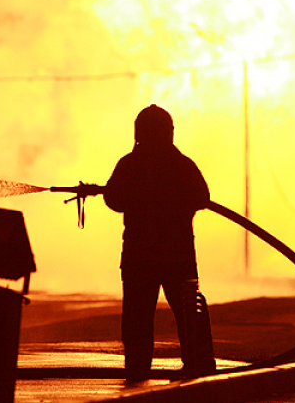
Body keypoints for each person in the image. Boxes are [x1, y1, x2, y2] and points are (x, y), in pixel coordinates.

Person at [103, 104, 216, 382]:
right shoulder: (181, 164)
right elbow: (202, 197)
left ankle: (137, 369)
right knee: (188, 312)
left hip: (141, 258)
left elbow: (112, 199)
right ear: (170, 132)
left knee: (139, 317)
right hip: (175, 257)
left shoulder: (130, 165)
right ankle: (198, 363)